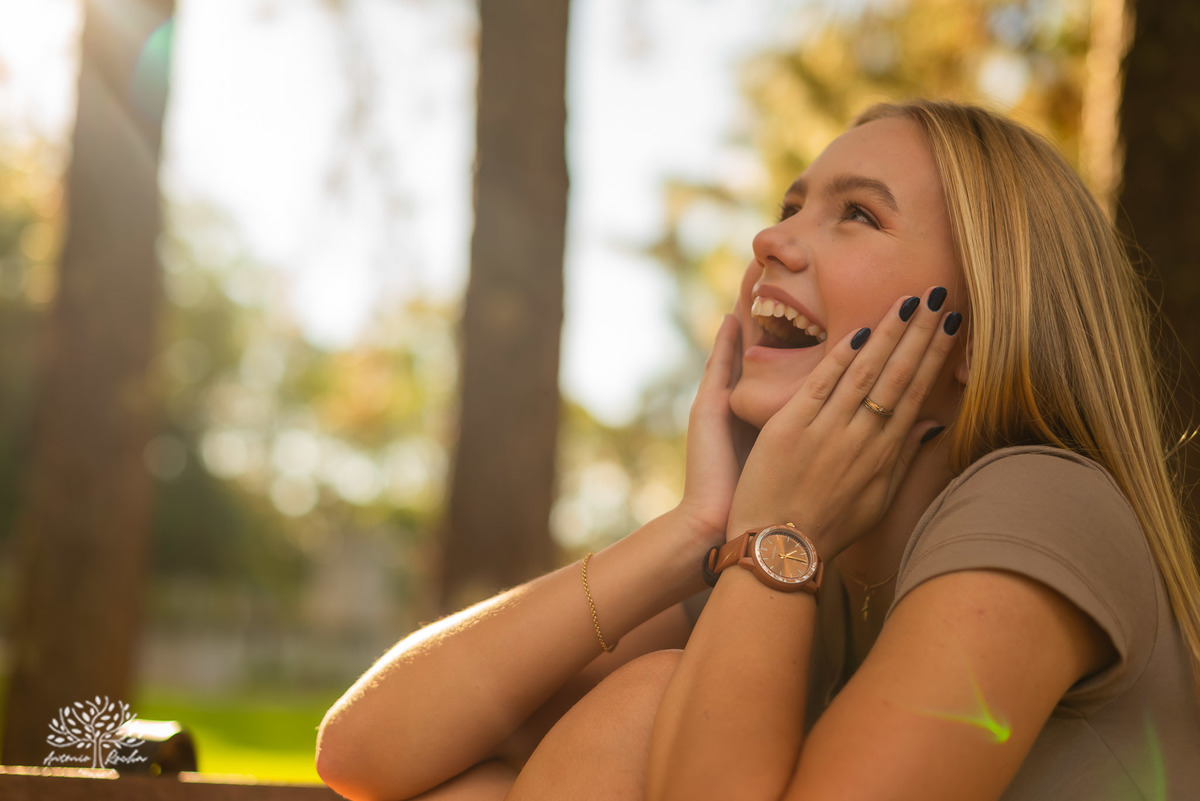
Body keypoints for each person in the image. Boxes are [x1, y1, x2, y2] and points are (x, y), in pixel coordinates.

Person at [314, 100, 1200, 800]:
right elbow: (364, 749)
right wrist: (694, 530)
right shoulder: (791, 549)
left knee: (647, 706)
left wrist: (781, 536)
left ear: (978, 330)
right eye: (789, 208)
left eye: (858, 214)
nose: (769, 241)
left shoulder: (1043, 500)